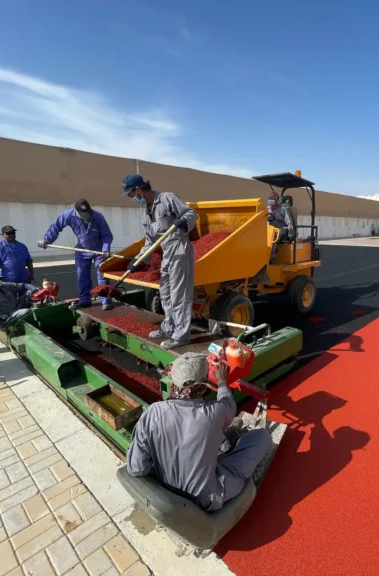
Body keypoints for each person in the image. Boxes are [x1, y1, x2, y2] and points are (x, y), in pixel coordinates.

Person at [126, 353, 271, 512]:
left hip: (167, 490)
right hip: (205, 498)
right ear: (203, 387)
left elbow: (136, 467)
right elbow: (228, 404)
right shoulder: (213, 414)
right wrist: (222, 382)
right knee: (262, 437)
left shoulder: (153, 412)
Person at [121, 174, 198, 350]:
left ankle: (181, 335)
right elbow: (150, 242)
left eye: (131, 194)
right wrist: (138, 260)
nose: (132, 198)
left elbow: (191, 213)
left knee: (179, 295)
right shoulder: (146, 213)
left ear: (138, 190)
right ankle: (169, 327)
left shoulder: (167, 198)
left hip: (179, 250)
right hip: (166, 253)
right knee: (165, 292)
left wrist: (184, 222)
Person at [38, 199, 114, 311]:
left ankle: (106, 301)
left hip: (99, 250)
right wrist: (46, 240)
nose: (86, 216)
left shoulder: (98, 217)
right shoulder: (68, 215)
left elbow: (107, 235)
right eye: (83, 214)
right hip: (82, 249)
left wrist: (105, 248)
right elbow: (56, 227)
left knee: (102, 276)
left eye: (87, 214)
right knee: (82, 276)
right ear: (76, 212)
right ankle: (85, 301)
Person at [267, 191, 295, 262]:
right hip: (269, 228)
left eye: (273, 197)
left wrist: (291, 235)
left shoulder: (283, 209)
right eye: (270, 197)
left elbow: (289, 221)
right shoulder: (267, 209)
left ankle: (271, 257)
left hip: (281, 229)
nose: (271, 198)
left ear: (277, 199)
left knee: (273, 233)